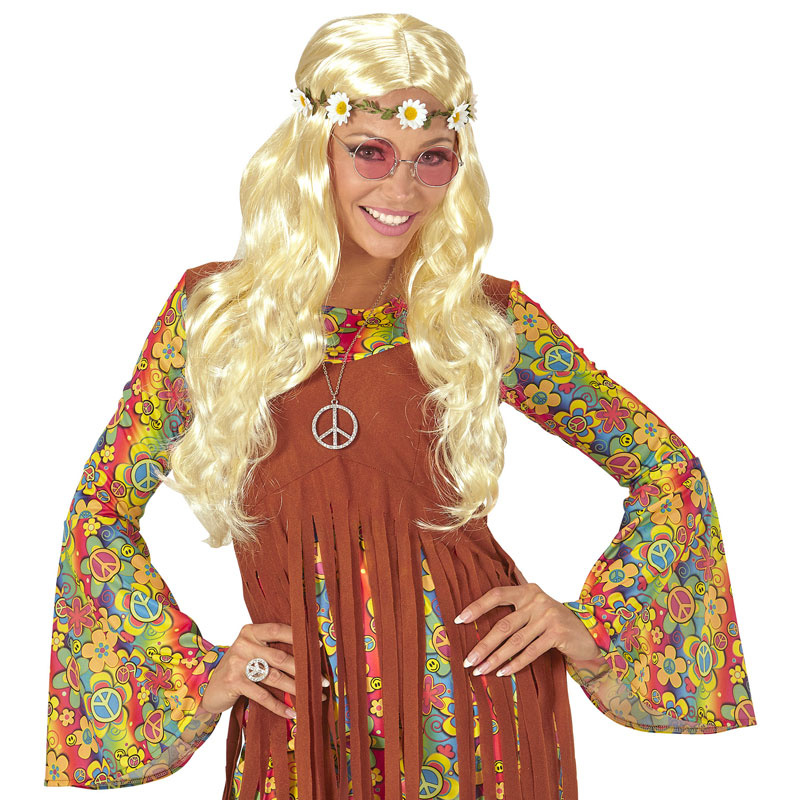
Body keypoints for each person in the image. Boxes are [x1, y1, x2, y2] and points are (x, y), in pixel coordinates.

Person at [44, 12, 757, 800]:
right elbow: (100, 510)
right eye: (370, 151)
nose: (402, 188)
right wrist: (199, 673)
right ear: (314, 151)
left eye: (432, 158)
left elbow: (668, 469)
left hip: (477, 723)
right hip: (298, 721)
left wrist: (594, 626)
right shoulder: (214, 318)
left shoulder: (482, 319)